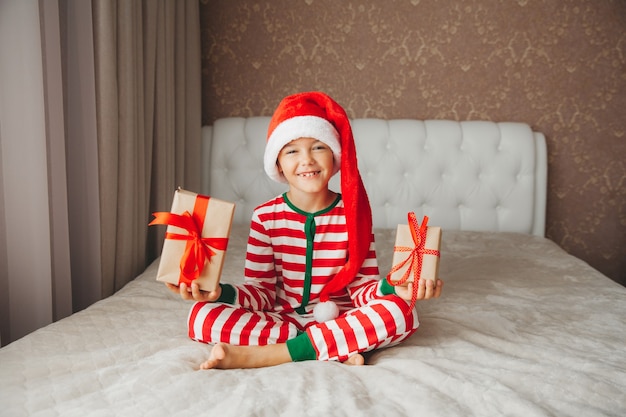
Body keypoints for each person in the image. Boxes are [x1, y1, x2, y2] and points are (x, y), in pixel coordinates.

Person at [167, 91, 443, 369]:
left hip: (341, 319)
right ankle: (331, 346)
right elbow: (262, 293)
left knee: (402, 312)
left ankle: (266, 355)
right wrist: (221, 294)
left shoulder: (353, 214)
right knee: (201, 315)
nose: (307, 159)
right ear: (278, 164)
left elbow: (362, 289)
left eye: (318, 147)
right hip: (283, 321)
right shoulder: (265, 217)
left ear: (335, 157)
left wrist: (393, 287)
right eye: (292, 150)